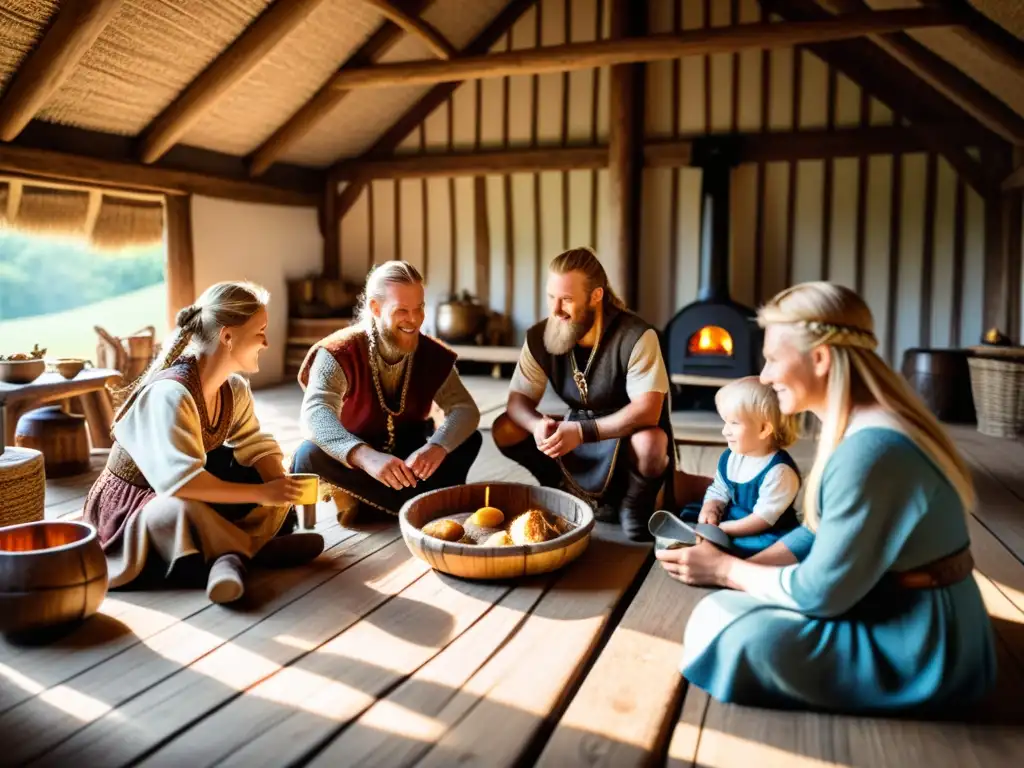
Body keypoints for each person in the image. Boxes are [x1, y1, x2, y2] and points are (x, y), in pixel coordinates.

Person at [656, 281, 997, 715]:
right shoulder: (859, 425)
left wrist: (726, 570)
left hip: (921, 640)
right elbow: (819, 534)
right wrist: (751, 568)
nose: (763, 376)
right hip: (900, 603)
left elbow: (819, 593)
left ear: (819, 359)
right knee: (726, 608)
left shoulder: (870, 450)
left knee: (721, 624)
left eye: (773, 358)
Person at [84, 281, 324, 605]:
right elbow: (180, 483)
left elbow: (254, 442)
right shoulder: (171, 393)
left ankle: (226, 558)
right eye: (260, 331)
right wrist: (261, 494)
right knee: (178, 511)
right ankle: (249, 551)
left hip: (185, 489)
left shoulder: (233, 389)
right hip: (136, 505)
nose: (266, 342)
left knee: (255, 475)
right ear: (227, 336)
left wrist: (278, 483)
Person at [492, 247, 676, 541]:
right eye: (551, 297)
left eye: (566, 299)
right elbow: (518, 402)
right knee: (506, 427)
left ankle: (633, 505)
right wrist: (538, 426)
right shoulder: (541, 335)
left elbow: (647, 411)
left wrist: (580, 432)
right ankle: (555, 486)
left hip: (623, 433)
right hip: (573, 429)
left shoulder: (637, 336)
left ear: (596, 296)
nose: (555, 310)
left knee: (651, 441)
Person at [291, 260, 482, 517]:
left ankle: (372, 506)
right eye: (402, 310)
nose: (414, 320)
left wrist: (436, 446)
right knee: (308, 454)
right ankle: (426, 504)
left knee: (468, 438)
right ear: (375, 307)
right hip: (358, 463)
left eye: (419, 308)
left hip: (410, 463)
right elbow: (315, 415)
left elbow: (465, 409)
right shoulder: (339, 352)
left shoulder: (432, 354)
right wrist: (365, 456)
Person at [679, 375, 809, 561]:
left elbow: (763, 519)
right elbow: (719, 489)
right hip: (732, 515)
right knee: (690, 514)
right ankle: (704, 541)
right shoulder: (731, 457)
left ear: (764, 429)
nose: (725, 431)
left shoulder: (779, 472)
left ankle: (717, 551)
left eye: (734, 423)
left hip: (763, 529)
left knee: (757, 548)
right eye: (725, 422)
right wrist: (711, 507)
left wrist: (723, 529)